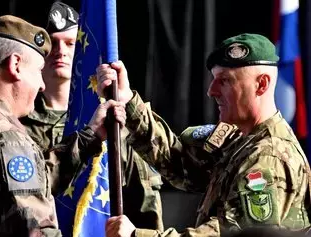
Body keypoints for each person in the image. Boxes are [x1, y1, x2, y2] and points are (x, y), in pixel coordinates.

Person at [96, 33, 311, 236]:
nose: (211, 91)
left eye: (225, 80)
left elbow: (233, 235)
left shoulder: (268, 158)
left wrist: (136, 235)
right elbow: (179, 163)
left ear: (261, 84)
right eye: (214, 79)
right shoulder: (239, 138)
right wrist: (129, 102)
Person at [0, 15, 125, 236]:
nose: (41, 85)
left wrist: (89, 137)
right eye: (38, 71)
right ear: (15, 65)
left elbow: (24, 183)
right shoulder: (5, 138)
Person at [20, 1, 165, 231]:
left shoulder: (115, 121)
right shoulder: (18, 125)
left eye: (70, 43)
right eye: (53, 44)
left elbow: (145, 201)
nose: (61, 52)